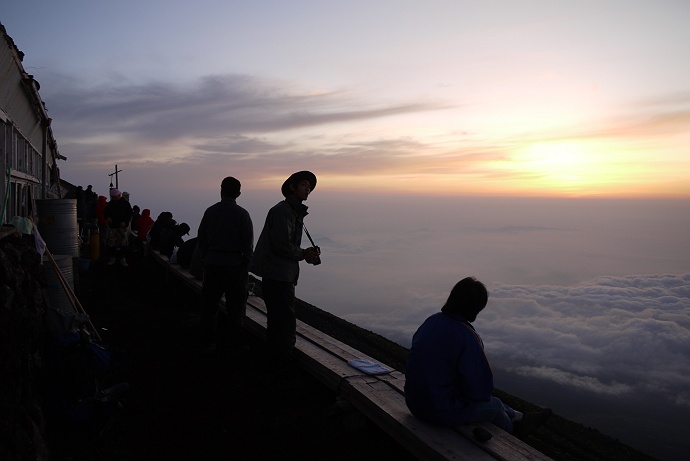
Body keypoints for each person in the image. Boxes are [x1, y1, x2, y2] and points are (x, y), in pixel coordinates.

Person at [404, 277, 552, 438]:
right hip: (436, 411)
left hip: (414, 402)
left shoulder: (431, 321)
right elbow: (479, 391)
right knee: (494, 407)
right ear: (475, 308)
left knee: (494, 403)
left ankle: (520, 417)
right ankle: (514, 433)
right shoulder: (466, 337)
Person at [249, 171, 320, 374]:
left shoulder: (292, 211)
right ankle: (281, 368)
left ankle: (274, 364)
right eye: (305, 185)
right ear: (292, 187)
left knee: (278, 322)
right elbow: (281, 245)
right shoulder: (283, 211)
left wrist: (304, 252)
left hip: (280, 274)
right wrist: (303, 254)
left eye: (309, 187)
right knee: (285, 324)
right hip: (279, 275)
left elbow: (285, 244)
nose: (308, 190)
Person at [197, 177, 254, 355]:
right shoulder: (243, 214)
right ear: (238, 193)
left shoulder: (210, 211)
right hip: (235, 266)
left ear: (221, 190)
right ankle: (234, 345)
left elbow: (202, 239)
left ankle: (207, 343)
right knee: (236, 309)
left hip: (213, 264)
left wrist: (208, 257)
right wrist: (244, 265)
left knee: (209, 307)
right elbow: (248, 246)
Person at [103, 188, 133, 267]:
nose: (113, 198)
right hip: (113, 227)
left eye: (114, 197)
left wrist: (125, 222)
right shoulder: (110, 204)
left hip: (122, 227)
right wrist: (108, 217)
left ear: (119, 195)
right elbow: (105, 212)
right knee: (111, 243)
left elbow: (129, 214)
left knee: (124, 243)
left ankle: (122, 258)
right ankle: (113, 258)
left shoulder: (126, 204)